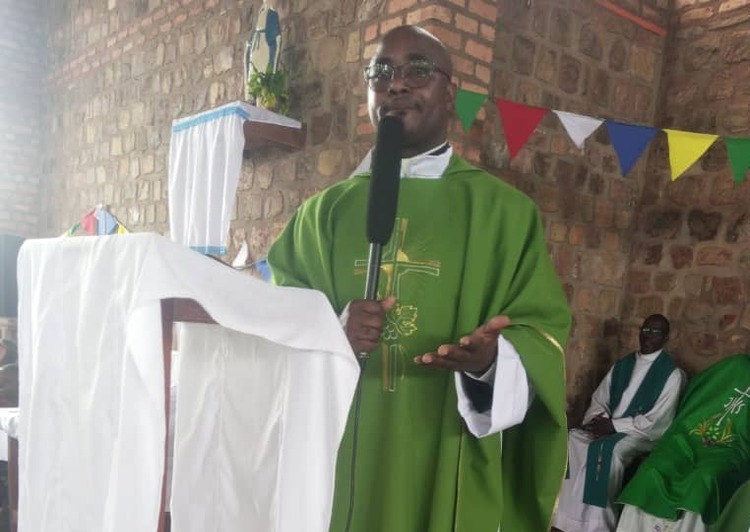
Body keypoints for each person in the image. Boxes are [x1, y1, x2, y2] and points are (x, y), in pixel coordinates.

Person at [267, 24, 571, 532]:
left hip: (447, 449)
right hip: (340, 453)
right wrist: (331, 331)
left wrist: (493, 362)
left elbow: (542, 335)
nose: (397, 84)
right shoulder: (320, 217)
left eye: (418, 71)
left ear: (450, 93)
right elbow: (275, 326)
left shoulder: (503, 215)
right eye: (381, 72)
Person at [551, 314, 686, 532]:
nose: (648, 336)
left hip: (640, 434)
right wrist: (599, 420)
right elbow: (600, 398)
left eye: (656, 332)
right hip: (608, 426)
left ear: (666, 338)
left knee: (609, 452)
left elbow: (657, 420)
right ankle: (567, 519)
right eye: (645, 330)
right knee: (573, 439)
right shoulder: (623, 365)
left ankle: (598, 524)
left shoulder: (671, 374)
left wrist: (614, 426)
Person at [616, 353, 750, 532]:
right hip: (690, 440)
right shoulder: (737, 365)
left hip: (733, 449)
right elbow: (701, 387)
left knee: (706, 478)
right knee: (652, 470)